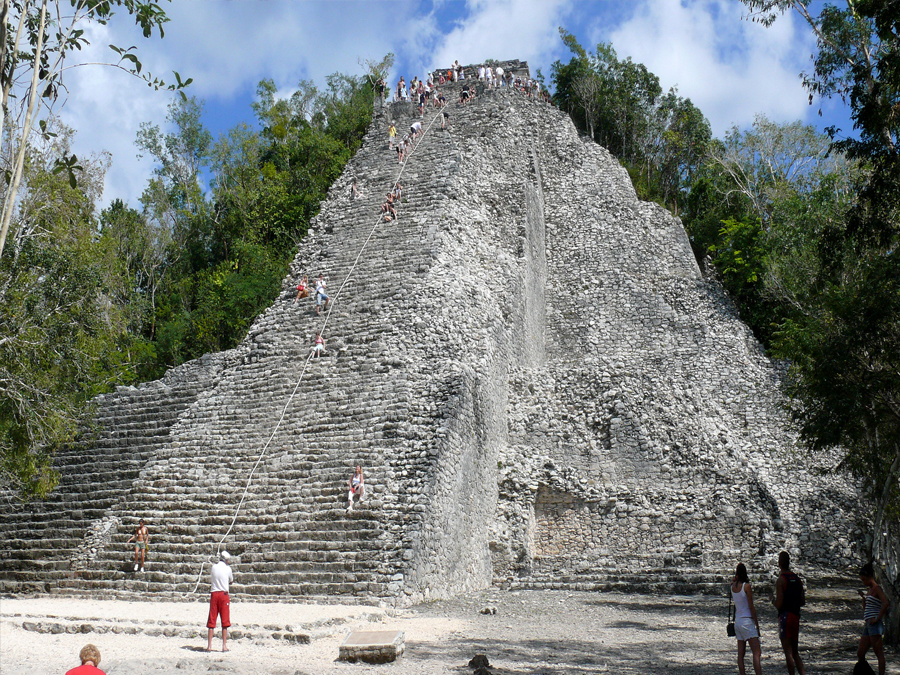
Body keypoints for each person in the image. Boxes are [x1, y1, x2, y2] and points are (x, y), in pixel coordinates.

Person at [773, 551, 806, 675]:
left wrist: (773, 601)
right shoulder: (797, 579)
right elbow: (802, 601)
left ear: (779, 564)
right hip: (796, 616)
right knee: (795, 651)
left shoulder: (781, 580)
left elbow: (779, 604)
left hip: (785, 617)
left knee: (788, 652)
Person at [857, 562, 890, 675]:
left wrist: (877, 618)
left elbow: (885, 602)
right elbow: (866, 608)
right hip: (868, 623)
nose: (863, 582)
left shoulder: (877, 589)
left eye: (864, 579)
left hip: (874, 623)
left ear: (870, 577)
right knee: (860, 652)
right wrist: (863, 599)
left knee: (878, 652)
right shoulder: (869, 590)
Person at [732, 563, 763, 675]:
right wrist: (757, 623)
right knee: (756, 652)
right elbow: (751, 606)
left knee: (741, 654)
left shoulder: (733, 586)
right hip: (747, 620)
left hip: (738, 621)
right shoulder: (746, 587)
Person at [207, 550, 233, 652]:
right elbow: (231, 581)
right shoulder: (228, 569)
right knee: (225, 621)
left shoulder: (214, 567)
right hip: (223, 594)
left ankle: (209, 646)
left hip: (214, 594)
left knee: (212, 619)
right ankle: (224, 646)